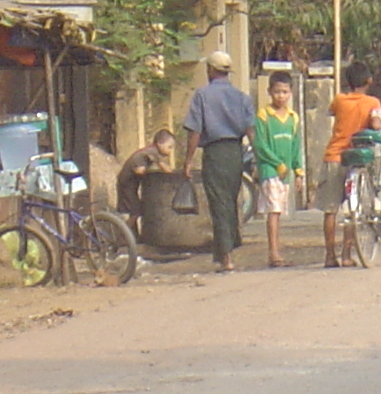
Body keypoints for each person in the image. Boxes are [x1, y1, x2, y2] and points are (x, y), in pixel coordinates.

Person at [179, 48, 256, 272]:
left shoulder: (202, 95)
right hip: (235, 153)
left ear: (210, 70)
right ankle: (229, 248)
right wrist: (259, 160)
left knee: (219, 203)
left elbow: (194, 131)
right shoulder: (242, 97)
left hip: (214, 153)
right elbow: (251, 132)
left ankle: (226, 257)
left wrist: (188, 161)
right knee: (231, 201)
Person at [319, 63, 381, 269]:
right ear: (369, 81)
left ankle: (330, 255)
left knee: (331, 210)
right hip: (356, 159)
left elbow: (331, 112)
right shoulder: (373, 102)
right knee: (352, 209)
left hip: (334, 157)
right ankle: (346, 255)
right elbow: (375, 125)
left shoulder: (339, 100)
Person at [252, 74, 305, 269]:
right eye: (276, 92)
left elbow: (295, 145)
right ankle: (273, 253)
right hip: (270, 170)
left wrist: (298, 171)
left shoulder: (293, 117)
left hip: (286, 172)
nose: (280, 96)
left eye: (284, 92)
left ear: (290, 93)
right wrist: (277, 164)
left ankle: (276, 250)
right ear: (269, 92)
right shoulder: (263, 115)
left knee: (279, 211)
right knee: (273, 210)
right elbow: (260, 145)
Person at [116, 129, 176, 219]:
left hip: (128, 184)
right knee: (135, 211)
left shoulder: (151, 151)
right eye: (169, 147)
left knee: (133, 210)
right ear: (159, 143)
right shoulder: (152, 152)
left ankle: (130, 231)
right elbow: (163, 168)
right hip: (127, 184)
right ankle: (125, 231)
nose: (170, 151)